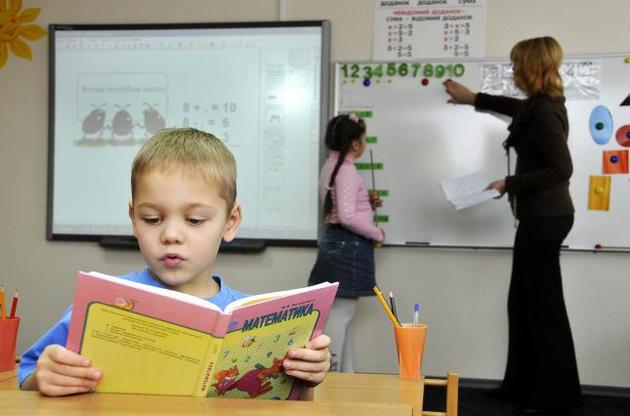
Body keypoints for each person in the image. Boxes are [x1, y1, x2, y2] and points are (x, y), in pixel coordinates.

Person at [19, 128, 331, 400]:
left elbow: (289, 401)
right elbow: (29, 373)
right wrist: (44, 377)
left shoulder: (254, 318)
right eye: (152, 219)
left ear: (230, 221)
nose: (170, 235)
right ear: (133, 219)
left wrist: (307, 376)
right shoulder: (104, 302)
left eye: (194, 220)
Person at [444, 36, 581, 415]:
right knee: (522, 303)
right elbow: (514, 107)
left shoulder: (544, 111)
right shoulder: (540, 105)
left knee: (543, 307)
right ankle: (520, 387)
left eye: (517, 63)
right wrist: (474, 98)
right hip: (539, 217)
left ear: (531, 67)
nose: (512, 70)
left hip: (547, 219)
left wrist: (511, 183)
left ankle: (557, 397)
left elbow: (561, 169)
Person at [308, 113, 384, 373]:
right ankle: (331, 376)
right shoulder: (347, 170)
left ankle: (347, 376)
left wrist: (365, 203)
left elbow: (341, 209)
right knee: (341, 316)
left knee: (342, 315)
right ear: (355, 144)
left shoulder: (330, 165)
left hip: (336, 243)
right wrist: (377, 233)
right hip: (348, 246)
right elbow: (348, 217)